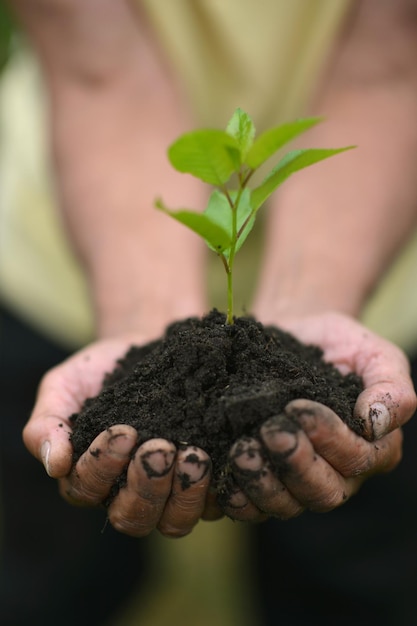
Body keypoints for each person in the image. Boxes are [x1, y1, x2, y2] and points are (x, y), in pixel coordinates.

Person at [1, 0, 417, 623]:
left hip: (377, 246)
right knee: (37, 578)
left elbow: (393, 58)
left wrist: (314, 298)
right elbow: (100, 69)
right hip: (76, 242)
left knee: (362, 581)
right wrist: (142, 320)